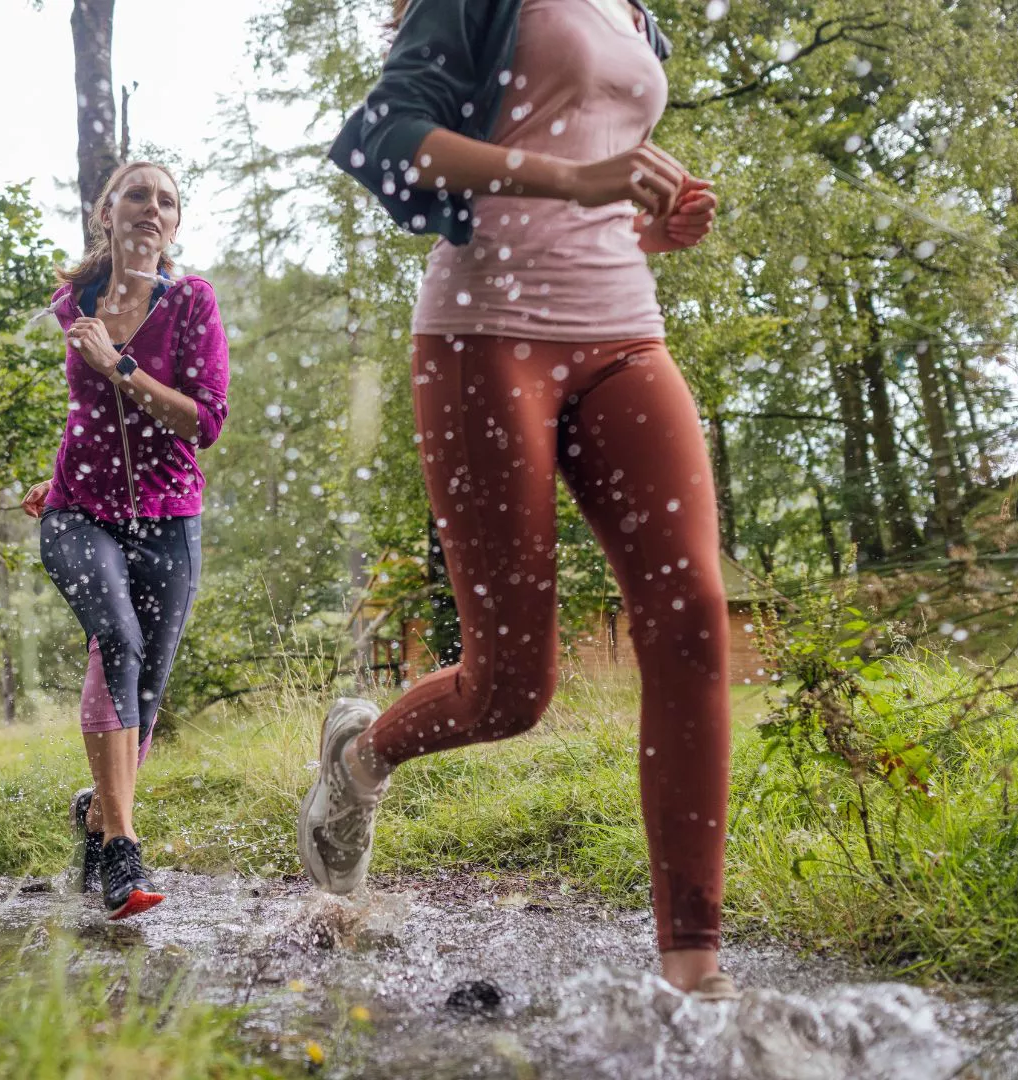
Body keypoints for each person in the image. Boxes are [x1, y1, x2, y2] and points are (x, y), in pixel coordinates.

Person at [298, 0, 737, 997]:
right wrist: (576, 181)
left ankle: (694, 973)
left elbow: (589, 159)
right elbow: (386, 138)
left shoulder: (637, 16)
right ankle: (361, 756)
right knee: (511, 689)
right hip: (486, 334)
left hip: (626, 327)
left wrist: (653, 226)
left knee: (693, 616)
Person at [20, 161, 230, 920]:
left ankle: (97, 815)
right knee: (118, 641)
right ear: (106, 212)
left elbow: (203, 423)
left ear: (176, 223)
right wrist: (56, 481)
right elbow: (87, 419)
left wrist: (124, 366)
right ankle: (121, 848)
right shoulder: (70, 303)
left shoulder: (193, 302)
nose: (152, 207)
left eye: (167, 200)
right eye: (137, 194)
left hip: (170, 519)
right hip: (79, 512)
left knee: (146, 688)